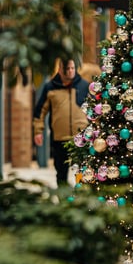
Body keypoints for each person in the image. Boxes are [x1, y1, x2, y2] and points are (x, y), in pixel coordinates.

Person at [33, 57, 90, 187]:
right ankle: (63, 200)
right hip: (60, 139)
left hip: (81, 138)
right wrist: (38, 132)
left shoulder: (84, 86)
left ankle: (81, 199)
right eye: (67, 69)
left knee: (83, 172)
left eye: (72, 68)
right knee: (61, 173)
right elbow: (40, 111)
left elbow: (95, 109)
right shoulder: (50, 87)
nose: (70, 71)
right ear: (59, 70)